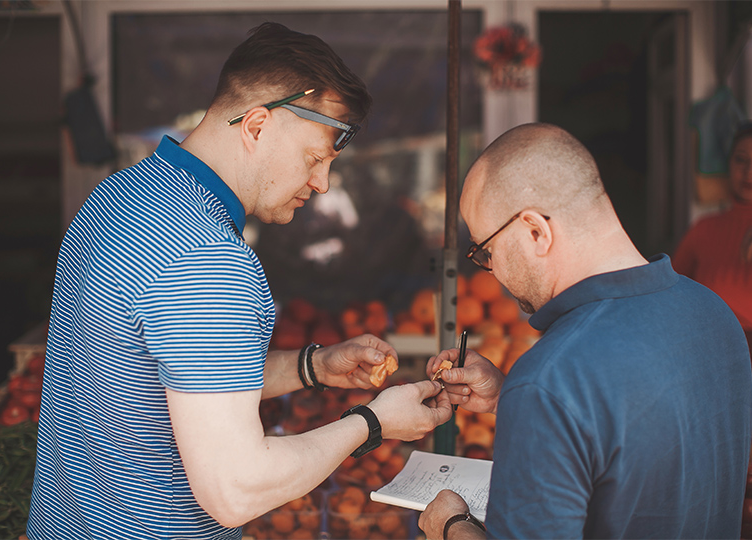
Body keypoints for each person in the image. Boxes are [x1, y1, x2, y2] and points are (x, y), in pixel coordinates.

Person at [27, 23, 452, 540]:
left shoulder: (119, 196)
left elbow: (169, 377)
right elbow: (237, 489)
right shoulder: (206, 258)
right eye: (315, 159)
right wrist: (374, 421)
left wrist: (313, 366)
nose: (320, 183)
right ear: (255, 126)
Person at [418, 123, 752, 539]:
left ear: (536, 230)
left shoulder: (550, 378)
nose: (491, 271)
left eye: (484, 251)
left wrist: (451, 525)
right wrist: (512, 399)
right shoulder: (713, 312)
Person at [673, 120, 752, 466]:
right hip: (712, 364)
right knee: (719, 464)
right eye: (741, 159)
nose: (750, 171)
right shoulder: (705, 230)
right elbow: (669, 293)